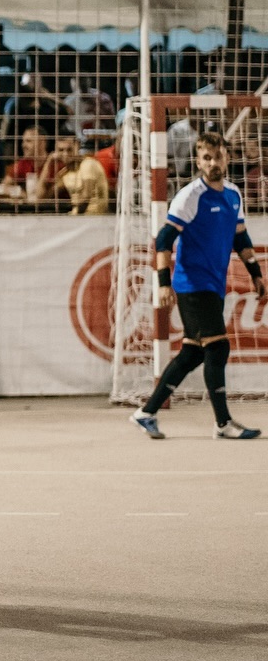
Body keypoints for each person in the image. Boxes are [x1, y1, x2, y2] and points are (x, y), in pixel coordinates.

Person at [131, 132, 266, 441]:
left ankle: (146, 413)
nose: (213, 163)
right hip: (192, 283)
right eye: (207, 158)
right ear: (198, 161)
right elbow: (164, 239)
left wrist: (256, 274)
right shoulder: (191, 196)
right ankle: (223, 423)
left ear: (227, 157)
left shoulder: (233, 194)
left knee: (192, 353)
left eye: (218, 157)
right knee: (218, 347)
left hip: (214, 284)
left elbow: (240, 237)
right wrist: (163, 283)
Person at [40, 134, 110, 214]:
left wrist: (73, 216)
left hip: (94, 217)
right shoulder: (65, 172)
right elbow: (43, 198)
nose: (65, 154)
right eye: (61, 150)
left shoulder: (88, 163)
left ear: (77, 147)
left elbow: (86, 197)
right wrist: (48, 162)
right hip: (78, 216)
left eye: (69, 150)